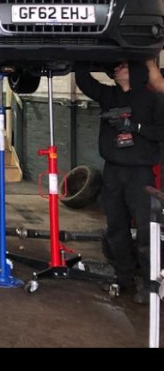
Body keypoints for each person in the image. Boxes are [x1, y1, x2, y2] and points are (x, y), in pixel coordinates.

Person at [74, 60, 164, 304]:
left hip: (140, 174)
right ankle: (124, 278)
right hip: (113, 171)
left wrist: (135, 127)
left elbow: (161, 132)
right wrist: (82, 55)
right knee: (116, 228)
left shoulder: (152, 99)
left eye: (123, 66)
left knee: (146, 231)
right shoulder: (109, 95)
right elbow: (84, 81)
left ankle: (150, 284)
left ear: (135, 71)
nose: (117, 69)